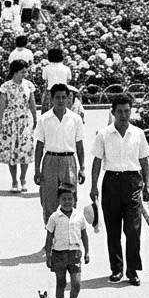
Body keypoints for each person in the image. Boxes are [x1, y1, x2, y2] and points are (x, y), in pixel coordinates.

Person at [89, 94, 149, 285]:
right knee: (113, 229)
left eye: (127, 111)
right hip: (111, 183)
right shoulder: (104, 134)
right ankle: (116, 269)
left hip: (132, 182)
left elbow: (144, 161)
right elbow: (97, 161)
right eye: (119, 111)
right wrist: (93, 186)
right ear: (113, 112)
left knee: (133, 230)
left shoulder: (138, 133)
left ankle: (132, 271)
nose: (123, 115)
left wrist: (147, 185)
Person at [34, 83, 86, 224]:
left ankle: (69, 236)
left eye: (64, 97)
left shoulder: (75, 119)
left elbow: (79, 146)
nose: (61, 101)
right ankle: (51, 240)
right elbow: (39, 146)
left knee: (69, 200)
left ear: (69, 99)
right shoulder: (44, 119)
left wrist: (82, 168)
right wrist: (37, 170)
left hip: (68, 161)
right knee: (49, 201)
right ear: (51, 99)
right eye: (57, 97)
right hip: (50, 160)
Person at [45, 184, 90, 298]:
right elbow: (49, 238)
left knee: (76, 284)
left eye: (70, 199)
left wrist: (87, 252)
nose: (67, 202)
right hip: (59, 254)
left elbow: (84, 235)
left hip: (75, 254)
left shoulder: (79, 216)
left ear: (74, 200)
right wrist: (48, 255)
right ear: (59, 200)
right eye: (64, 199)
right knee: (61, 282)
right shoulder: (54, 217)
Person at [0, 59, 38, 192]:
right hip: (10, 120)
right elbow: (2, 104)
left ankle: (23, 178)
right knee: (11, 150)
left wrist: (35, 118)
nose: (25, 74)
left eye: (26, 71)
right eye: (22, 72)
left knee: (24, 149)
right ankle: (14, 181)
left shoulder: (29, 85)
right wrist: (0, 121)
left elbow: (32, 102)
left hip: (24, 119)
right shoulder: (6, 86)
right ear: (15, 72)